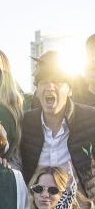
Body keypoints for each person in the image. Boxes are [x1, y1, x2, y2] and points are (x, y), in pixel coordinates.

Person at [20, 67, 95, 199]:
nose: (50, 87)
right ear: (37, 91)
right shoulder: (25, 123)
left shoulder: (90, 119)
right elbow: (16, 162)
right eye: (43, 82)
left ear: (70, 90)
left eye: (57, 82)